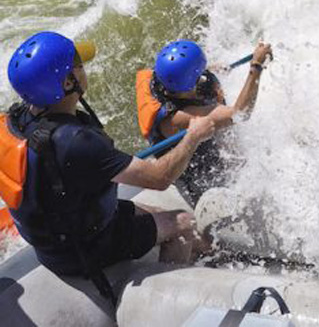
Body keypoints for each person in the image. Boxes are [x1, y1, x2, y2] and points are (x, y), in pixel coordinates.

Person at [0, 31, 216, 303]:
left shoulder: (15, 118)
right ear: (69, 82)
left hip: (61, 234)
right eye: (78, 66)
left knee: (157, 213)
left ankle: (208, 250)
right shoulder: (76, 142)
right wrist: (193, 136)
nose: (83, 68)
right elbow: (161, 178)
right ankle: (168, 297)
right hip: (84, 250)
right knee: (185, 223)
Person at [136, 39, 271, 206]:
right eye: (198, 76)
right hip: (196, 172)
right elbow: (240, 113)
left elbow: (183, 74)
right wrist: (256, 66)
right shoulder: (178, 118)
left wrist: (209, 71)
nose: (203, 77)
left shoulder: (163, 78)